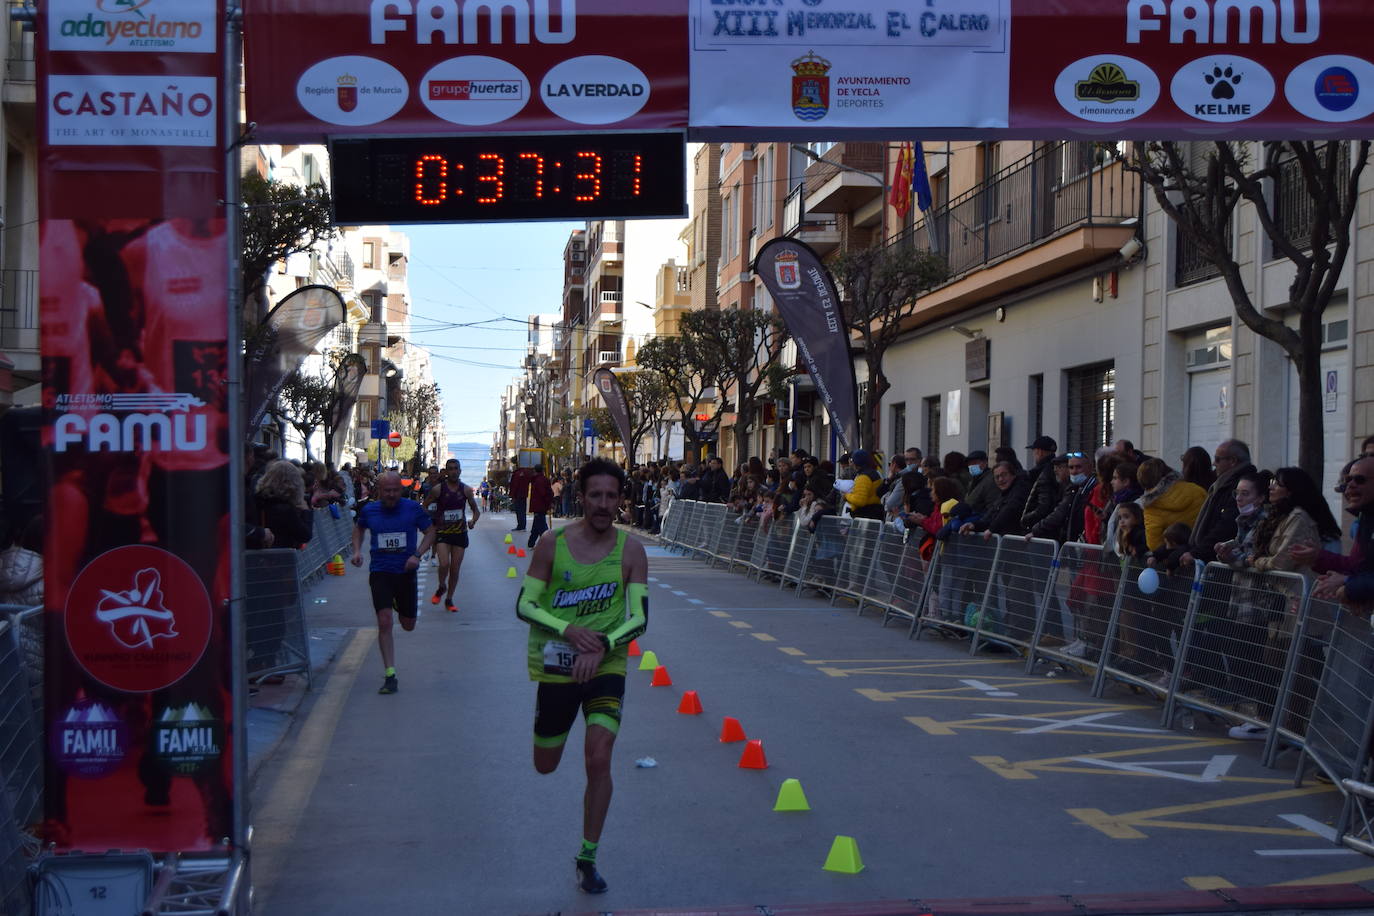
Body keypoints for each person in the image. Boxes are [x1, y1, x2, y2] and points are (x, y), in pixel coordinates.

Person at [514, 458, 648, 895]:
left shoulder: (631, 550)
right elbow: (525, 606)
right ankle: (554, 734)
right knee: (545, 764)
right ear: (582, 497)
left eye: (611, 496)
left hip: (606, 665)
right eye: (596, 495)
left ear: (619, 499)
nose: (604, 504)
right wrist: (570, 632)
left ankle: (587, 857)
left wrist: (604, 646)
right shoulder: (552, 543)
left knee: (599, 755)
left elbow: (640, 619)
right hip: (556, 664)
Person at [351, 471, 437, 694]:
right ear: (379, 490)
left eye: (395, 490)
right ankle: (390, 674)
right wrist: (357, 551)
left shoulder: (412, 509)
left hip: (405, 572)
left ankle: (399, 604)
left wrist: (417, 555)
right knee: (385, 621)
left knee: (408, 625)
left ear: (401, 489)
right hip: (380, 572)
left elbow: (430, 532)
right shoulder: (369, 510)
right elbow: (359, 528)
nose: (391, 495)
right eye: (387, 491)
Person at [1183, 439, 1256, 565]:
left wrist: (1197, 553)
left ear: (1232, 461)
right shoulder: (1221, 484)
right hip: (1210, 557)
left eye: (1217, 459)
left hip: (1219, 562)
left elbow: (1226, 526)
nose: (1213, 464)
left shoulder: (1237, 485)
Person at [425, 459, 481, 613]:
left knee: (455, 569)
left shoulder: (466, 490)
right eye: (450, 469)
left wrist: (473, 522)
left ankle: (449, 599)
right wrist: (430, 523)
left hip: (459, 533)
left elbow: (476, 511)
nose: (454, 471)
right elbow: (425, 505)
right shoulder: (438, 490)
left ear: (460, 471)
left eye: (456, 468)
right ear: (446, 471)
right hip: (442, 533)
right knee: (444, 564)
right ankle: (442, 585)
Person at [1137, 458, 1206, 551]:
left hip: (1176, 558)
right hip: (1204, 550)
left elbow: (1153, 544)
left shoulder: (1152, 506)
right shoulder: (1196, 489)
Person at [254, 460, 315, 550]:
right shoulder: (286, 510)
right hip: (282, 557)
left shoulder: (258, 500)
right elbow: (305, 536)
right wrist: (306, 511)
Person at [960, 461, 1031, 536]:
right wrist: (974, 525)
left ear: (1013, 475)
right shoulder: (1002, 495)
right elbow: (990, 516)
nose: (1000, 479)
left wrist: (992, 529)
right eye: (997, 477)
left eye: (1004, 475)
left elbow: (1010, 509)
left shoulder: (1020, 489)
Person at [1020, 436, 1060, 534]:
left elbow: (1043, 506)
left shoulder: (1043, 473)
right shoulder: (1055, 468)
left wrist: (1025, 519)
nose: (1034, 455)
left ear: (1039, 452)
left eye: (1034, 452)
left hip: (1039, 529)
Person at [844, 450, 884, 520]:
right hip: (874, 513)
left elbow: (859, 501)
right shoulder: (874, 473)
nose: (851, 464)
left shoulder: (863, 477)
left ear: (857, 462)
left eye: (852, 461)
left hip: (864, 516)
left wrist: (846, 495)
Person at [527, 464, 555, 548]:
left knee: (537, 524)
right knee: (541, 525)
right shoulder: (543, 480)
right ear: (542, 470)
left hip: (537, 505)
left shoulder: (536, 480)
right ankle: (548, 543)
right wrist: (549, 500)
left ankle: (531, 542)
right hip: (541, 505)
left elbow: (543, 492)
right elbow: (545, 493)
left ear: (535, 471)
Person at [963, 450, 998, 518]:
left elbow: (991, 504)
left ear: (985, 462)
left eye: (975, 463)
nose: (971, 466)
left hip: (980, 518)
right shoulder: (974, 480)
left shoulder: (991, 480)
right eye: (969, 464)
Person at [510, 459, 535, 531]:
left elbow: (514, 485)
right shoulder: (527, 472)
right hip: (524, 494)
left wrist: (512, 495)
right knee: (523, 510)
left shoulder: (516, 473)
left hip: (518, 494)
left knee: (519, 510)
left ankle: (520, 525)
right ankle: (523, 525)